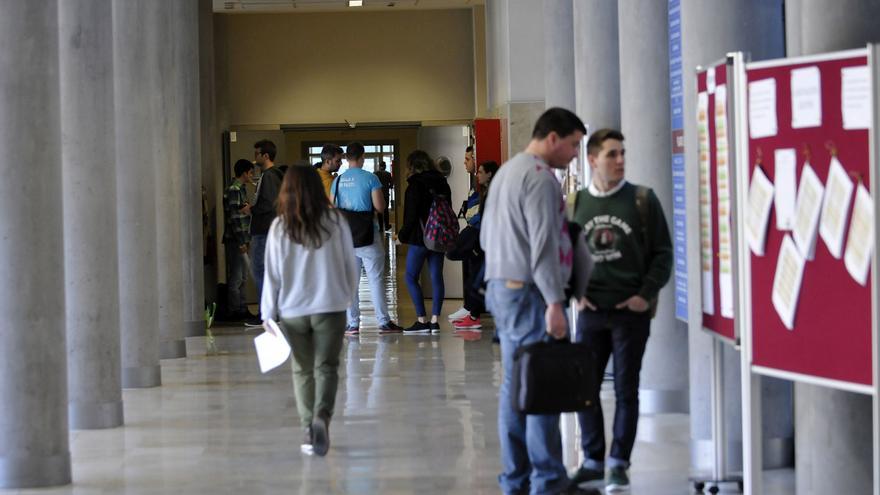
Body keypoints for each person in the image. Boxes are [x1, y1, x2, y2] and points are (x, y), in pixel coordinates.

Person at [481, 107, 596, 495]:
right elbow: (544, 247)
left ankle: (517, 478)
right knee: (542, 384)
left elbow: (487, 237)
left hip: (502, 286)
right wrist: (554, 302)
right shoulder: (541, 179)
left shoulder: (508, 173)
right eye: (574, 145)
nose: (574, 155)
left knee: (517, 385)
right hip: (530, 293)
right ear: (553, 139)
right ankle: (547, 480)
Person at [568, 128, 673, 492]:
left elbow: (663, 253)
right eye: (612, 154)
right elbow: (561, 254)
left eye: (623, 153)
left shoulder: (643, 200)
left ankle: (618, 464)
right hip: (591, 312)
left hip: (631, 312)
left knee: (627, 390)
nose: (620, 160)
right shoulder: (576, 203)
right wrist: (575, 293)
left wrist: (646, 294)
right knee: (586, 389)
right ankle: (593, 460)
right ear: (593, 159)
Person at [260, 164, 359, 457]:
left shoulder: (280, 225)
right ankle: (322, 418)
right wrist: (349, 298)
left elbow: (272, 272)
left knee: (302, 369)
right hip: (329, 306)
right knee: (327, 367)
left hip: (292, 310)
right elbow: (349, 263)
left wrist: (267, 312)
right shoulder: (335, 221)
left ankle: (307, 427)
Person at [331, 142, 404, 335]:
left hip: (345, 237)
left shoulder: (337, 181)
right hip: (367, 235)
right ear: (362, 157)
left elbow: (332, 208)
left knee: (350, 282)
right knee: (375, 278)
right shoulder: (370, 178)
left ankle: (352, 324)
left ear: (346, 158)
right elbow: (380, 207)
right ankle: (383, 321)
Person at [397, 150, 451, 334]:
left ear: (412, 166)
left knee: (411, 276)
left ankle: (422, 320)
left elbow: (411, 217)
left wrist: (401, 236)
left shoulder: (415, 185)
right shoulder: (442, 182)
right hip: (438, 236)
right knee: (437, 276)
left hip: (420, 238)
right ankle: (435, 321)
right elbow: (448, 209)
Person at [452, 160, 499, 331]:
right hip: (486, 241)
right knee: (476, 278)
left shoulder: (493, 193)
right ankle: (473, 314)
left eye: (480, 172)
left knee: (478, 280)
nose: (477, 175)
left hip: (489, 242)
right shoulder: (487, 192)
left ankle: (473, 315)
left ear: (490, 174)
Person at [222, 159, 258, 323]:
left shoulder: (241, 189)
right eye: (251, 173)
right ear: (244, 173)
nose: (252, 176)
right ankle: (234, 310)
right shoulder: (234, 190)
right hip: (236, 239)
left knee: (243, 276)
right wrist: (242, 241)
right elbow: (235, 217)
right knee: (237, 277)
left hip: (243, 237)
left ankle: (242, 308)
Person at [249, 139, 284, 307]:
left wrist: (251, 209)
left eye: (257, 154)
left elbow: (268, 202)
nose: (254, 158)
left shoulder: (269, 176)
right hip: (270, 228)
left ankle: (266, 311)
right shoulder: (274, 175)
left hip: (264, 229)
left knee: (259, 270)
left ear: (266, 156)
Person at [448, 145, 477, 322]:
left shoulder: (479, 186)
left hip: (478, 235)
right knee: (470, 270)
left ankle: (472, 312)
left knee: (476, 273)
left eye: (467, 159)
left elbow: (474, 214)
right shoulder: (474, 183)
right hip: (474, 232)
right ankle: (470, 309)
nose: (464, 163)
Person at [373, 160, 394, 231]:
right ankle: (387, 226)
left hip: (378, 195)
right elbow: (391, 185)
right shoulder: (388, 174)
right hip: (385, 195)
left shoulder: (375, 174)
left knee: (379, 211)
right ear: (385, 166)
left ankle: (381, 227)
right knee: (386, 211)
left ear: (379, 166)